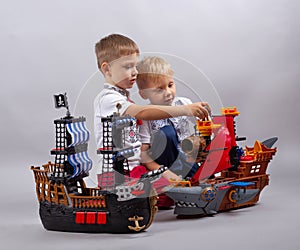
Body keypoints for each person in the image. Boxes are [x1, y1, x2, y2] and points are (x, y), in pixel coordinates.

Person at [94, 34, 210, 178]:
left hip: (135, 167)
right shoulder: (107, 99)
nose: (135, 72)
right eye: (128, 66)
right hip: (120, 171)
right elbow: (142, 113)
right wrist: (186, 110)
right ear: (107, 69)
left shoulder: (124, 99)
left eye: (135, 66)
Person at [135, 56, 200, 183]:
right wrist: (163, 171)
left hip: (186, 158)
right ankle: (178, 174)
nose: (168, 93)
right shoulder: (146, 116)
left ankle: (190, 175)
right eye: (159, 90)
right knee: (167, 132)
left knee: (203, 178)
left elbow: (203, 124)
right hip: (165, 161)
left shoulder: (184, 103)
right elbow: (144, 153)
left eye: (170, 85)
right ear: (144, 94)